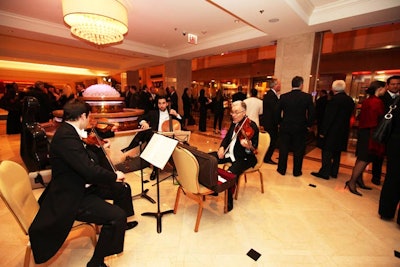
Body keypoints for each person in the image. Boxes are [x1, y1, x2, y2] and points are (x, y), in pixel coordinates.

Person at [28, 99, 137, 267]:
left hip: (83, 185)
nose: (89, 120)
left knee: (122, 188)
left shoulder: (69, 131)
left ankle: (119, 228)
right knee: (116, 216)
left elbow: (83, 158)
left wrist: (98, 148)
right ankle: (96, 262)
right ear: (83, 116)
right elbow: (88, 170)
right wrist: (114, 176)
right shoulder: (66, 137)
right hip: (72, 195)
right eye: (89, 116)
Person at [209, 101, 259, 211]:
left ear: (244, 112)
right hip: (230, 154)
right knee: (209, 160)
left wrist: (247, 147)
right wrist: (222, 147)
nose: (233, 115)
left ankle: (229, 201)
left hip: (244, 158)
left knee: (230, 173)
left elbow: (254, 149)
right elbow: (227, 138)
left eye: (236, 112)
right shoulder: (234, 122)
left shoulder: (252, 126)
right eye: (232, 112)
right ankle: (214, 189)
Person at [121, 95, 182, 180]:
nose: (161, 105)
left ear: (167, 104)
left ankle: (177, 167)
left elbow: (181, 121)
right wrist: (144, 123)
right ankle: (155, 170)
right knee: (156, 146)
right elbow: (140, 118)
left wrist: (177, 114)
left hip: (168, 137)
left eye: (163, 103)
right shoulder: (153, 113)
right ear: (157, 104)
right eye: (159, 103)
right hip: (156, 136)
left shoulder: (171, 113)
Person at [345, 80, 386, 196]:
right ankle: (352, 182)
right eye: (384, 88)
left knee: (362, 158)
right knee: (364, 158)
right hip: (370, 132)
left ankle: (358, 179)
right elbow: (378, 119)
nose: (385, 91)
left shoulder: (367, 101)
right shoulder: (376, 102)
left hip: (364, 132)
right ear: (380, 89)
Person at [311, 80, 355, 180]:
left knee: (327, 152)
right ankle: (334, 172)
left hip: (332, 131)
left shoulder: (334, 100)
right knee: (337, 152)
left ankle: (325, 172)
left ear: (333, 88)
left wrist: (322, 132)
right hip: (343, 131)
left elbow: (329, 117)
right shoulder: (349, 100)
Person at [276, 76, 315, 177]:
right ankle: (296, 171)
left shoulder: (284, 96)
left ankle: (281, 170)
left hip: (286, 127)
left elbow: (277, 112)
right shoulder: (307, 97)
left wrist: (280, 122)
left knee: (283, 149)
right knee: (299, 150)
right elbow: (312, 113)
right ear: (301, 85)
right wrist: (308, 125)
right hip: (300, 127)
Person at [371, 75, 400, 185]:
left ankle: (390, 178)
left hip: (395, 133)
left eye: (398, 84)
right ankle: (376, 176)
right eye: (393, 84)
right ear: (387, 85)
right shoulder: (381, 98)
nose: (395, 86)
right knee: (378, 155)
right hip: (382, 130)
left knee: (393, 158)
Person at [378, 93, 400, 224]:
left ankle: (386, 211)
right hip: (396, 143)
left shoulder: (397, 101)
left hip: (395, 143)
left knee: (392, 177)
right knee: (393, 177)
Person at [261, 78, 281, 164]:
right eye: (279, 84)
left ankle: (266, 157)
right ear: (275, 85)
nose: (280, 86)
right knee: (272, 141)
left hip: (268, 122)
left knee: (270, 141)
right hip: (271, 123)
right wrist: (279, 122)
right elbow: (275, 111)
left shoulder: (269, 94)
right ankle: (267, 158)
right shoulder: (271, 96)